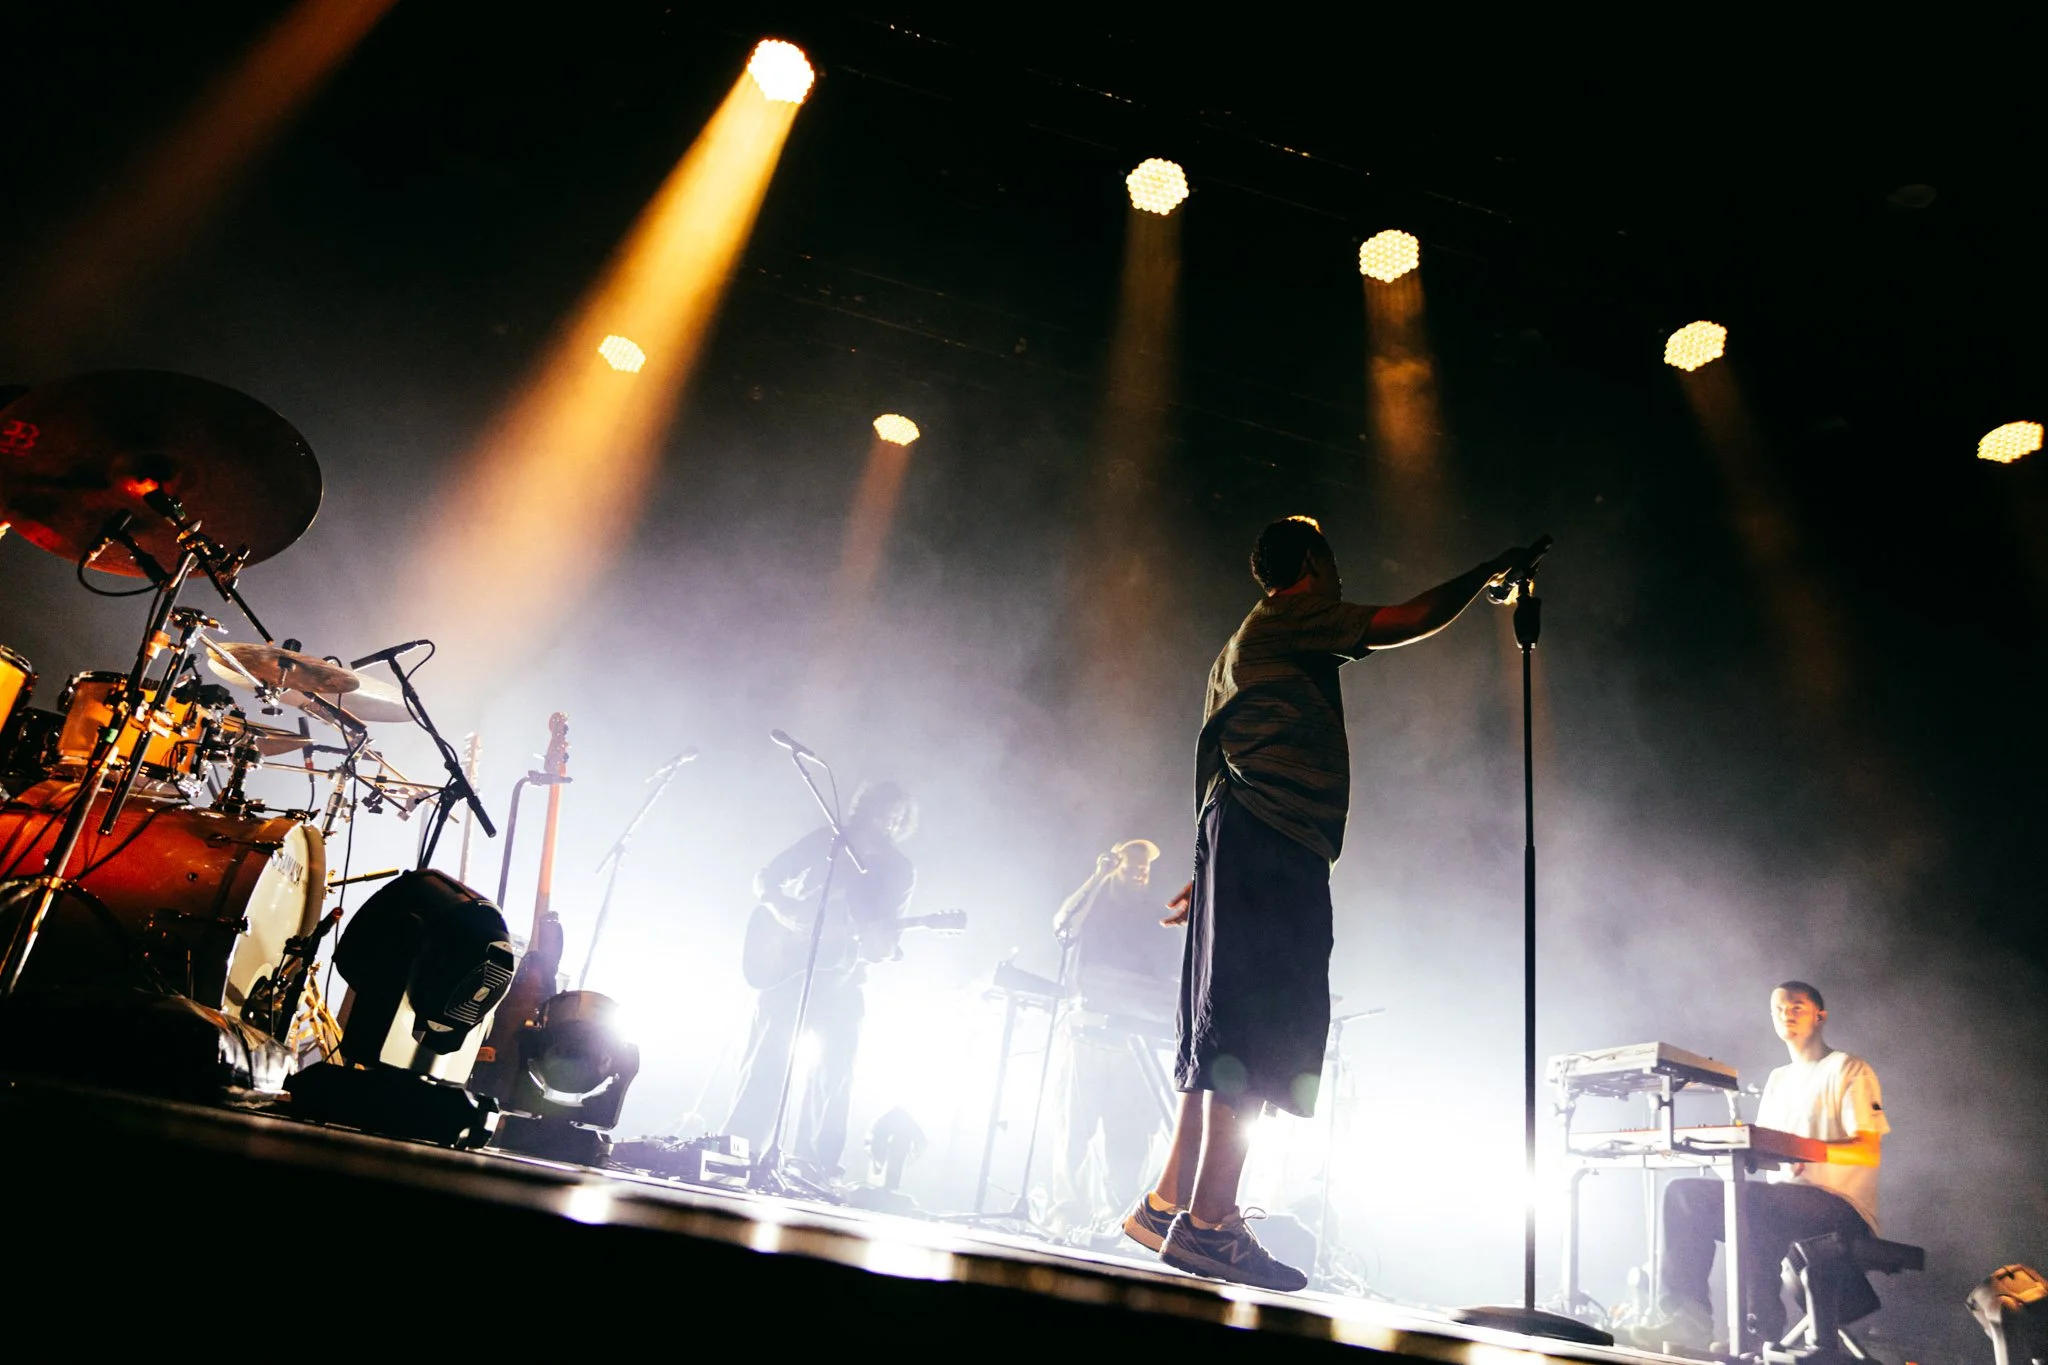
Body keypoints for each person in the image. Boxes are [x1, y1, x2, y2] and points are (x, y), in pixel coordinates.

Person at [1122, 515, 1541, 1291]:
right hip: (1272, 842)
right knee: (1255, 1026)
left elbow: (1223, 759)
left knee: (1219, 1023)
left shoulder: (1238, 645)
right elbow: (1406, 620)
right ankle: (1209, 1225)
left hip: (1240, 836)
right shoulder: (1292, 612)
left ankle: (1168, 1201)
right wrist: (1490, 568)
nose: (1342, 576)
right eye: (1335, 561)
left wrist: (1206, 865)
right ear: (1312, 562)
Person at [1622, 981, 1889, 1351]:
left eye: (1796, 1007)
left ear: (1820, 1016)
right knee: (1686, 1195)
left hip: (1841, 1206)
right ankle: (1698, 1320)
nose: (1786, 1015)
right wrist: (1702, 1147)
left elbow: (1866, 1151)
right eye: (1778, 1009)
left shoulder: (1848, 1068)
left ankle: (1757, 1331)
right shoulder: (1778, 1079)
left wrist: (1803, 1153)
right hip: (1784, 1200)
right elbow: (1764, 1149)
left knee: (1754, 1208)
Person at [724, 779, 918, 1180]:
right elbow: (766, 877)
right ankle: (735, 1158)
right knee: (765, 1064)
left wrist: (880, 945)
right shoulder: (829, 840)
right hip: (788, 973)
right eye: (885, 811)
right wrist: (783, 910)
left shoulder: (899, 870)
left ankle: (812, 1171)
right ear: (865, 807)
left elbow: (881, 945)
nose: (890, 822)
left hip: (845, 981)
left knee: (833, 1078)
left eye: (898, 817)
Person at [1046, 837, 1180, 1237]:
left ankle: (1117, 1218)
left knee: (1131, 1133)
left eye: (1145, 867)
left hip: (1133, 1043)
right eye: (1131, 864)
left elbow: (1172, 975)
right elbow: (1064, 927)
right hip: (1086, 1031)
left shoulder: (1158, 916)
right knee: (1074, 1130)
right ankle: (1067, 1212)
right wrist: (1096, 878)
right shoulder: (1095, 904)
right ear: (1114, 865)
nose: (1140, 871)